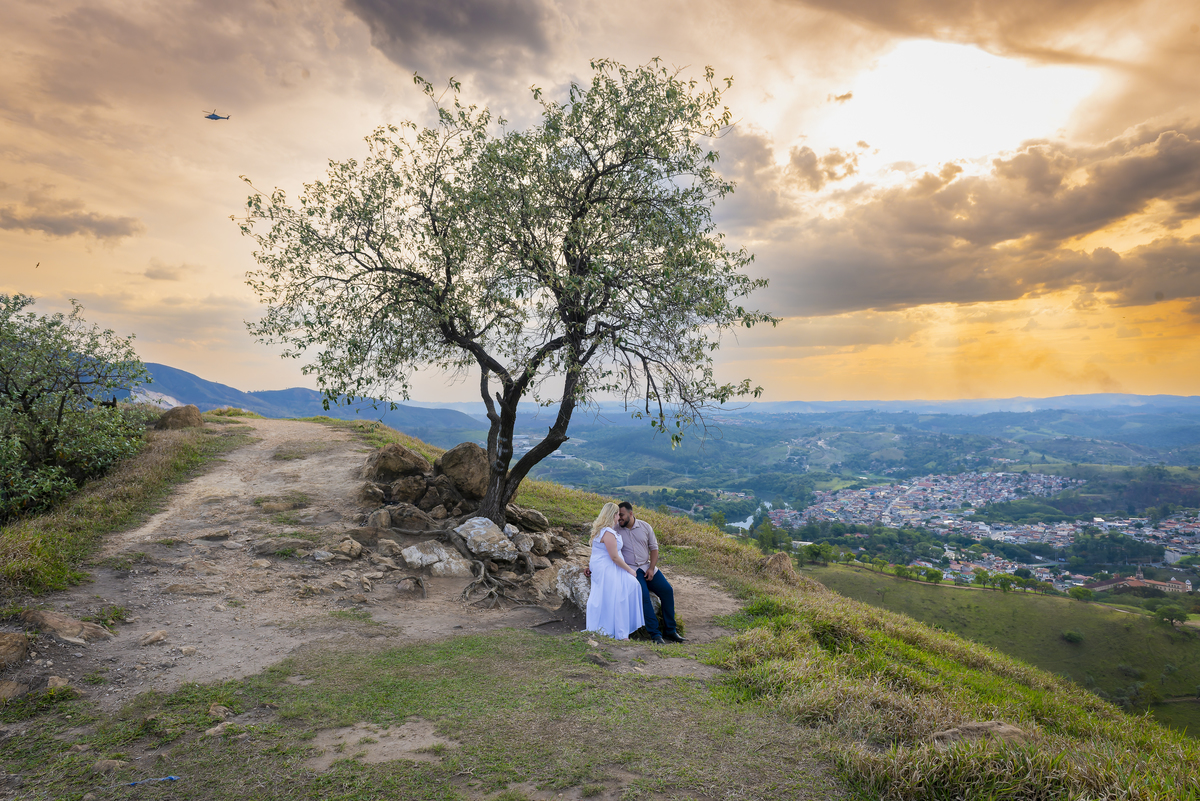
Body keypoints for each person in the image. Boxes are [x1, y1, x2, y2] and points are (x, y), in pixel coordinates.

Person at [616, 501, 686, 645]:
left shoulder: (645, 526)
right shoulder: (615, 530)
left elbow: (654, 549)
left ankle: (671, 631)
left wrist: (651, 568)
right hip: (631, 571)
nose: (619, 518)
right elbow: (607, 551)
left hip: (647, 566)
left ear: (630, 513)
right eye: (618, 515)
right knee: (644, 597)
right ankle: (655, 634)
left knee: (667, 590)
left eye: (621, 515)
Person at [584, 502, 645, 640]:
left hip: (604, 566)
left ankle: (618, 628)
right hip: (608, 567)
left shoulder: (603, 531)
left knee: (626, 588)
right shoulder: (608, 532)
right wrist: (630, 570)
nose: (619, 516)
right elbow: (614, 557)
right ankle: (619, 631)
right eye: (618, 514)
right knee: (621, 593)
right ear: (613, 515)